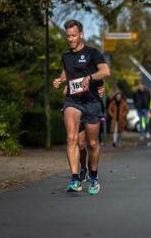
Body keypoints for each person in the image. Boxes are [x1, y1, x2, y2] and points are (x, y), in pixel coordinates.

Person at [53, 19, 110, 194]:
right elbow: (67, 71)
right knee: (72, 139)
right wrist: (61, 79)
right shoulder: (65, 56)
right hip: (73, 101)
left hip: (91, 102)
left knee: (92, 143)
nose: (70, 39)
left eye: (73, 35)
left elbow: (105, 71)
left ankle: (93, 176)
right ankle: (75, 179)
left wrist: (91, 78)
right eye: (67, 36)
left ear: (81, 35)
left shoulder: (92, 53)